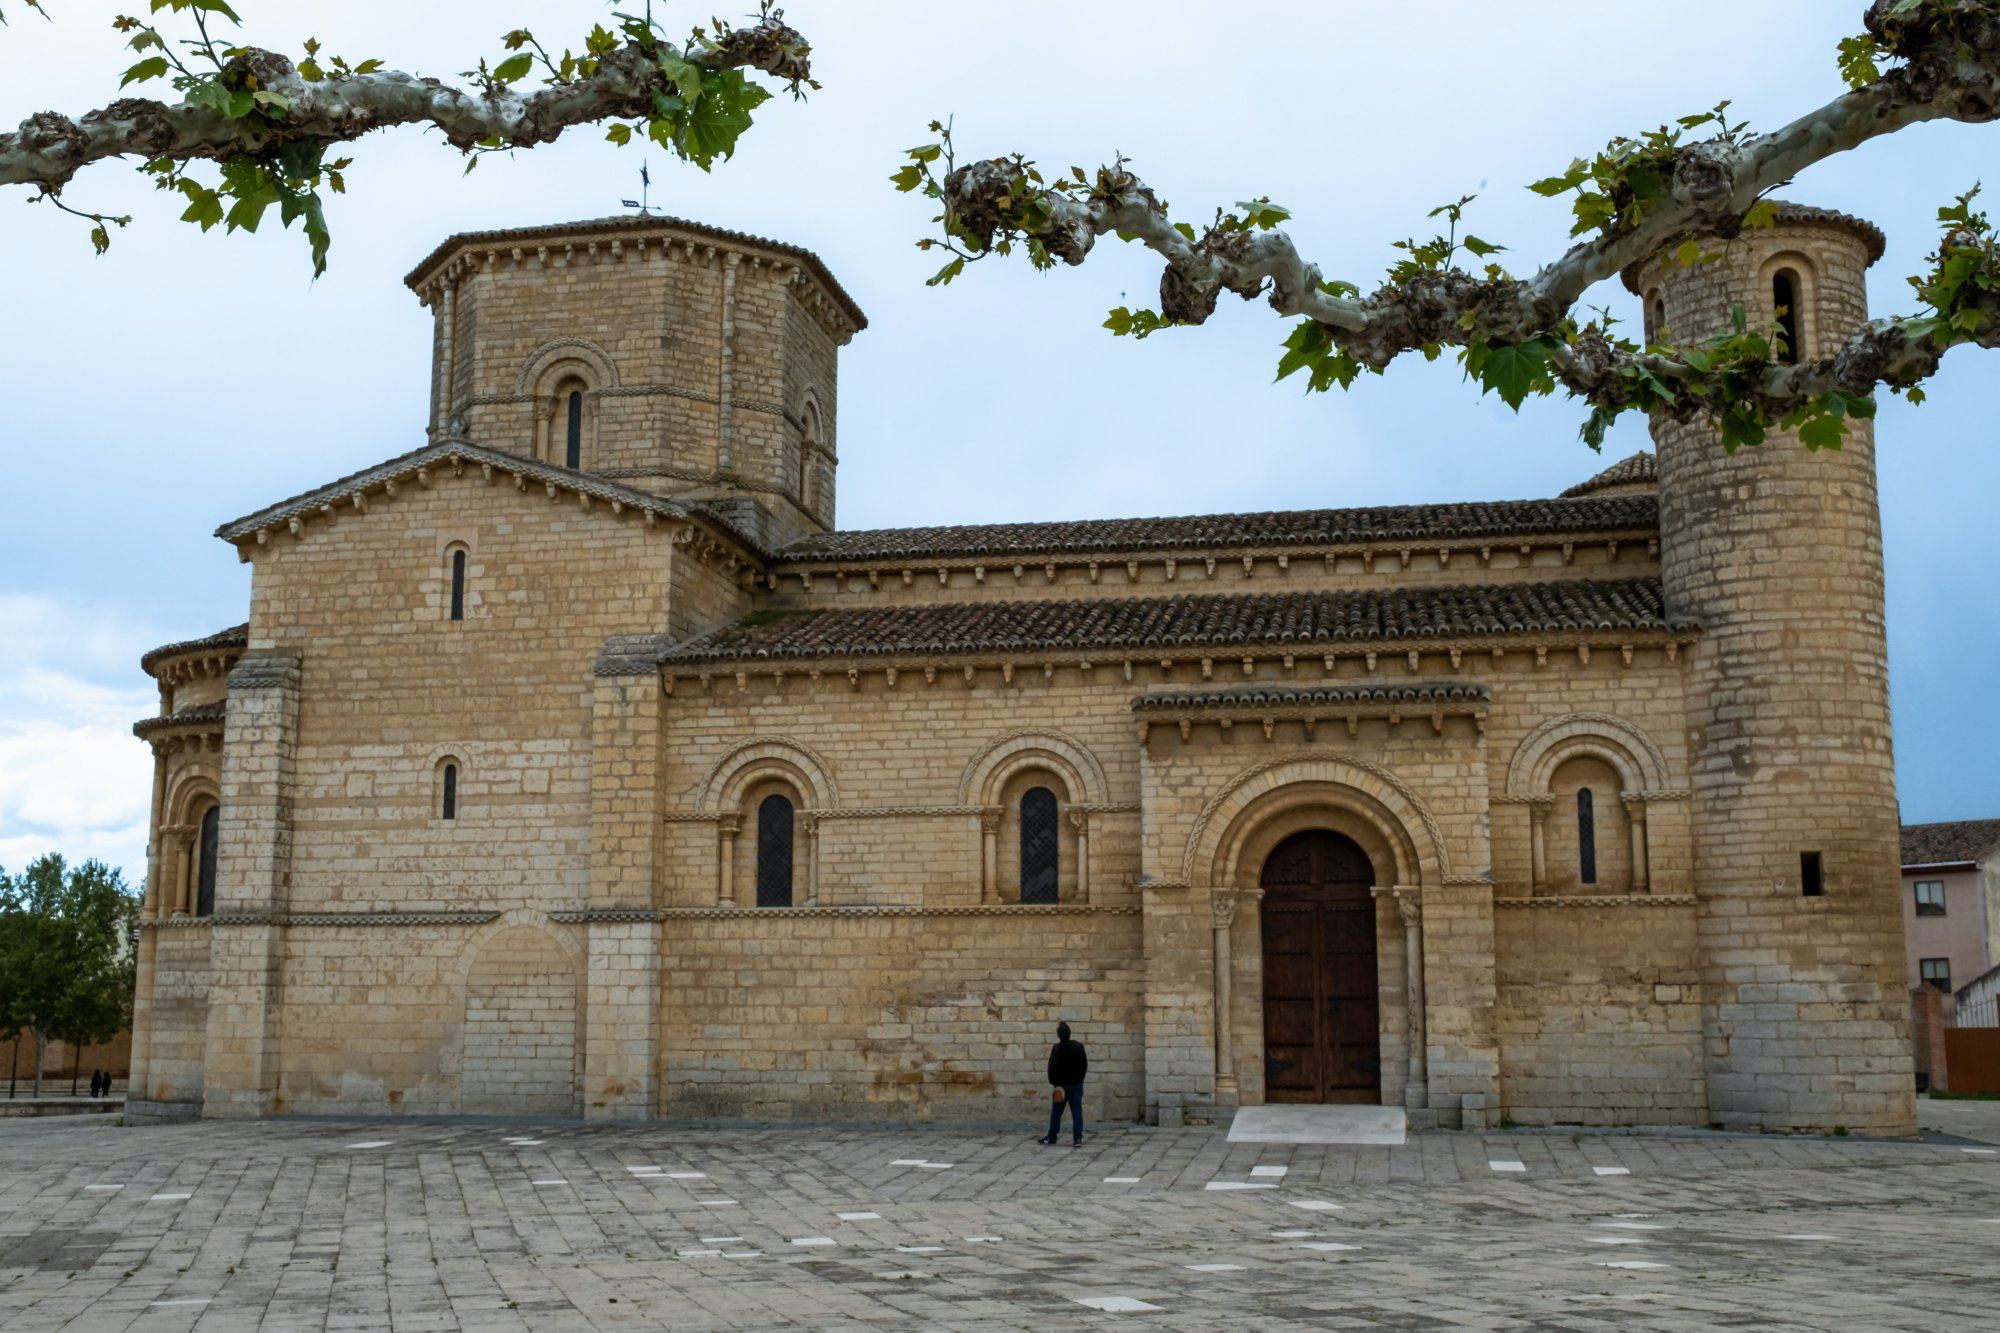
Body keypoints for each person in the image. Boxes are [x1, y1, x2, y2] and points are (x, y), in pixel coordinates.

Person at [1039, 1021, 1087, 1146]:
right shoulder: (1078, 1046)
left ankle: (1052, 1136)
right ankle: (1077, 1138)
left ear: (1059, 1035)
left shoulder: (1057, 1049)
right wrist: (1080, 1079)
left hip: (1061, 1086)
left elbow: (1052, 1068)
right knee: (1077, 1112)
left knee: (1056, 1112)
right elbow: (1084, 1065)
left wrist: (1055, 1083)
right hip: (1077, 1085)